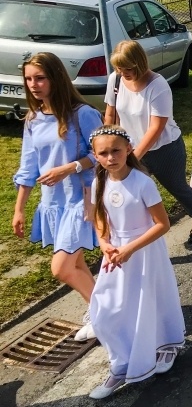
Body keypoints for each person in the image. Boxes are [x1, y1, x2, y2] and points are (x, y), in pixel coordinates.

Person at [87, 126, 184, 399]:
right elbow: (99, 219)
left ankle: (166, 342)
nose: (110, 157)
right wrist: (104, 242)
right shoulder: (99, 182)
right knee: (105, 308)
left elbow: (162, 224)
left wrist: (130, 248)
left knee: (151, 298)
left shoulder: (143, 183)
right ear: (95, 156)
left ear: (128, 149)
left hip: (144, 251)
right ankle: (121, 362)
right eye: (103, 153)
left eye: (115, 150)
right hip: (115, 253)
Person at [13, 52, 102, 342]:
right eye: (28, 79)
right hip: (54, 203)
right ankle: (100, 310)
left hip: (82, 199)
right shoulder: (33, 119)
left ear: (55, 78)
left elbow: (103, 153)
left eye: (40, 78)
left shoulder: (82, 114)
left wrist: (71, 167)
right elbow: (27, 168)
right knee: (75, 265)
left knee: (62, 267)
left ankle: (105, 314)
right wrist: (20, 209)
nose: (33, 84)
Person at [103, 41, 192, 243]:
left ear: (139, 63)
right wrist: (109, 146)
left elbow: (156, 128)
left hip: (164, 149)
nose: (123, 72)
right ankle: (140, 237)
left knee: (177, 188)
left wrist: (132, 158)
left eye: (128, 68)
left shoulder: (157, 85)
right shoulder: (115, 80)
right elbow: (110, 115)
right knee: (134, 195)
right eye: (119, 68)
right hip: (130, 149)